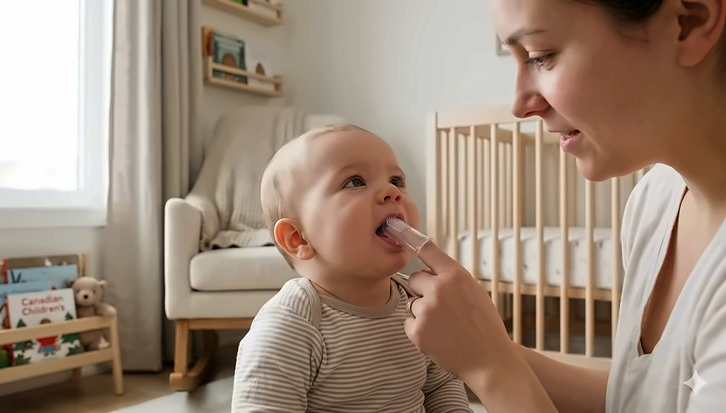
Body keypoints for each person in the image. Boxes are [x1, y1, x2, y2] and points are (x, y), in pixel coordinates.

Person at [402, 0, 726, 411]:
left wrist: (492, 370)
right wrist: (478, 350)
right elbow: (644, 398)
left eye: (541, 56)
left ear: (689, 21)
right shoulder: (655, 199)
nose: (520, 105)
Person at [230, 124, 474, 412]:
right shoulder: (293, 324)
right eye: (355, 182)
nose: (390, 191)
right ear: (299, 238)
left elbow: (442, 385)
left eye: (396, 180)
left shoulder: (419, 304)